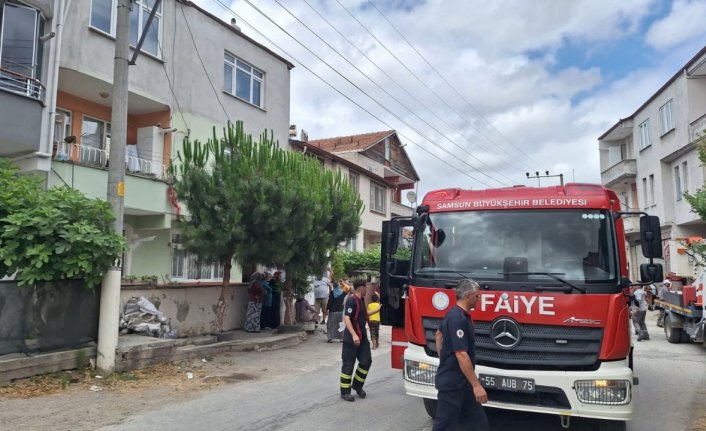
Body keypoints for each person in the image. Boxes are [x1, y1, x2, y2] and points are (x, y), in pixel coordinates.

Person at [432, 278, 489, 431]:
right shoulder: (457, 318)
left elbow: (438, 335)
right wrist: (476, 385)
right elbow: (461, 354)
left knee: (479, 424)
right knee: (444, 426)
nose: (479, 299)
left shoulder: (454, 314)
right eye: (477, 296)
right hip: (452, 385)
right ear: (468, 296)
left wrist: (443, 358)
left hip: (463, 383)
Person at [339, 280, 372, 402]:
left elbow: (364, 314)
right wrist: (353, 335)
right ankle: (345, 392)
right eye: (365, 287)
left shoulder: (361, 301)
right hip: (352, 338)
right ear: (361, 288)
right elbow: (346, 318)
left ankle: (357, 385)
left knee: (366, 361)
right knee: (348, 364)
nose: (367, 290)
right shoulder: (351, 300)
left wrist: (377, 310)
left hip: (362, 337)